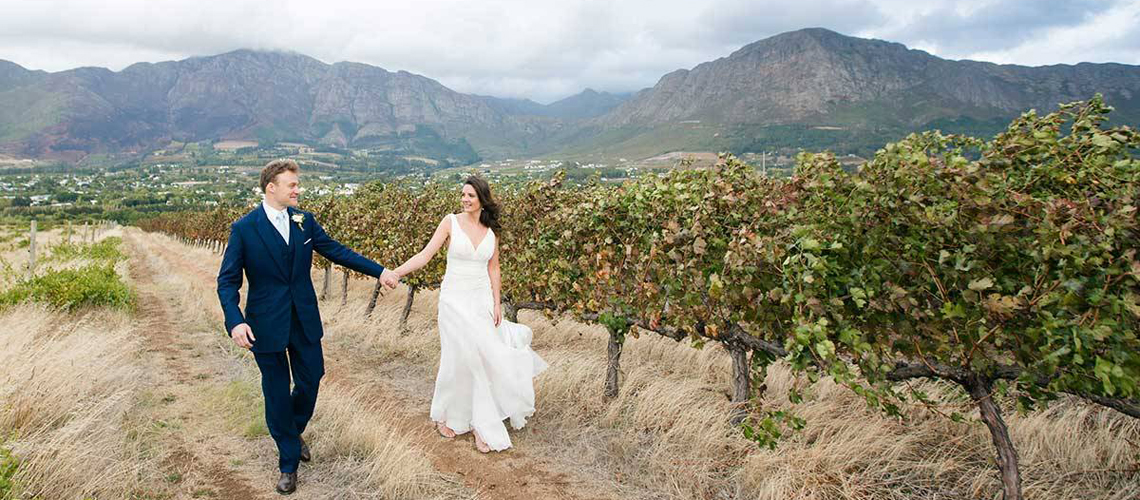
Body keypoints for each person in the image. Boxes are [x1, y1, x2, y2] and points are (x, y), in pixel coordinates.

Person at [216, 159, 398, 494]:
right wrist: (235, 321)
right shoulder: (244, 229)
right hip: (264, 325)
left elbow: (338, 252)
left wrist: (380, 271)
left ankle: (291, 429)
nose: (298, 189)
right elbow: (227, 281)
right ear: (272, 187)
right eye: (292, 185)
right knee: (275, 389)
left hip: (303, 319)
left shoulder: (305, 222)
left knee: (312, 378)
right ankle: (288, 463)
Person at [385, 176, 547, 452]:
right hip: (453, 300)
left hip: (481, 300)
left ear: (482, 199)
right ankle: (448, 413)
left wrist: (496, 303)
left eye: (470, 195)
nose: (464, 199)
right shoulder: (450, 221)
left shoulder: (491, 232)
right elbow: (425, 255)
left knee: (482, 357)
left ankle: (478, 421)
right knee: (458, 356)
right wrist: (396, 272)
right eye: (463, 194)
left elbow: (494, 268)